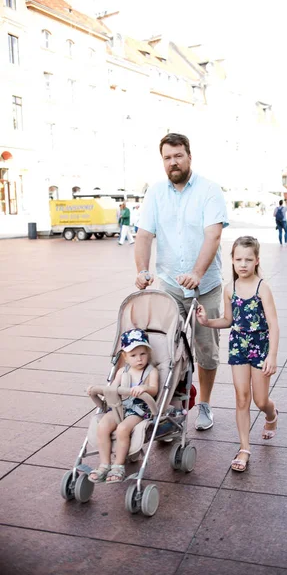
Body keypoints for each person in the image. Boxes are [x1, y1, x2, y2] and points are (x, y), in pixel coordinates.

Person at [134, 132, 229, 431]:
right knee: (165, 348)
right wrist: (141, 269)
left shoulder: (210, 190)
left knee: (206, 350)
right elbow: (144, 235)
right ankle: (172, 406)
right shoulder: (155, 193)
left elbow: (213, 234)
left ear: (189, 156)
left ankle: (205, 404)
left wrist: (198, 273)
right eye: (167, 157)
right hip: (171, 287)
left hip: (206, 286)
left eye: (178, 155)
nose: (173, 162)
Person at [196, 236, 279, 472]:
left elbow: (274, 324)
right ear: (231, 261)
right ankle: (244, 449)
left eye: (248, 259)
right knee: (242, 398)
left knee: (260, 401)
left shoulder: (263, 288)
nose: (243, 264)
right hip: (238, 346)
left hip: (260, 345)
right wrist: (207, 321)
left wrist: (272, 356)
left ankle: (272, 415)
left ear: (256, 261)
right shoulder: (229, 289)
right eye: (238, 259)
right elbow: (229, 320)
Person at [87, 328, 158, 483]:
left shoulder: (151, 371)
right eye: (133, 355)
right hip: (119, 407)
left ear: (148, 353)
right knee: (103, 425)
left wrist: (144, 388)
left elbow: (154, 390)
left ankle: (118, 465)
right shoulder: (121, 371)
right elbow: (111, 390)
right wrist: (96, 390)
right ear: (125, 357)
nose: (139, 359)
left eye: (143, 354)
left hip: (138, 410)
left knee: (122, 429)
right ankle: (104, 464)